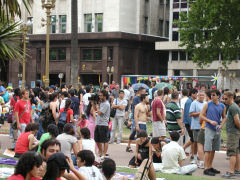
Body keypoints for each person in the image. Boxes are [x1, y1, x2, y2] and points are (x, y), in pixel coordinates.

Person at [200, 89, 226, 176]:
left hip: (217, 129)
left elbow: (224, 117)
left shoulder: (222, 106)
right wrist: (210, 121)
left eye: (214, 95)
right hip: (209, 129)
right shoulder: (207, 104)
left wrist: (221, 125)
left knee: (214, 149)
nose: (212, 96)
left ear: (218, 96)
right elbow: (201, 115)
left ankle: (210, 166)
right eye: (211, 95)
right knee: (207, 149)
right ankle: (206, 168)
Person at [222, 91, 240, 178]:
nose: (224, 100)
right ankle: (236, 170)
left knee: (232, 152)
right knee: (236, 152)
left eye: (226, 98)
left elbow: (237, 121)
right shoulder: (232, 106)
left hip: (233, 132)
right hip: (234, 132)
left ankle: (231, 172)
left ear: (231, 97)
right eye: (224, 98)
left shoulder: (233, 107)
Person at [126, 87, 146, 153]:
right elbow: (136, 108)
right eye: (143, 92)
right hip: (136, 118)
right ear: (140, 91)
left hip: (139, 118)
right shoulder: (136, 98)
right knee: (136, 133)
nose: (145, 93)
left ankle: (128, 146)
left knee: (134, 132)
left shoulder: (141, 99)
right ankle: (134, 147)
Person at [189, 90, 206, 165]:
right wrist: (200, 113)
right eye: (200, 95)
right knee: (196, 142)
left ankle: (202, 157)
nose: (201, 97)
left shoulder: (206, 103)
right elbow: (191, 114)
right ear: (197, 96)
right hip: (196, 126)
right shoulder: (194, 103)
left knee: (203, 143)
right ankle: (195, 157)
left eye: (203, 95)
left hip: (204, 126)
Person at [94, 90, 110, 159]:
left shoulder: (106, 104)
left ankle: (104, 153)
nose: (99, 97)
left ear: (105, 96)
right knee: (97, 139)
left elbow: (100, 112)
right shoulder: (101, 103)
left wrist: (97, 106)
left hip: (103, 124)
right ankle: (101, 151)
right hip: (98, 123)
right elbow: (95, 110)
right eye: (99, 95)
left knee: (104, 140)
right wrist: (93, 103)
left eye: (101, 95)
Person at [198, 90, 211, 169]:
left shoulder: (206, 104)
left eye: (205, 96)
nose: (204, 97)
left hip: (204, 126)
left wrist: (200, 122)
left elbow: (201, 116)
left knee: (200, 144)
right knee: (209, 146)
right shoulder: (217, 105)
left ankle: (202, 162)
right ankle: (208, 163)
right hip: (212, 128)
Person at [183, 89, 198, 159]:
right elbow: (188, 114)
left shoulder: (191, 101)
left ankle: (192, 154)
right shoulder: (189, 102)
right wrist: (191, 124)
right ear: (192, 94)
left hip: (190, 123)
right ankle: (183, 149)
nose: (197, 95)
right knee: (193, 138)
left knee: (193, 139)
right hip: (189, 123)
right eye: (196, 94)